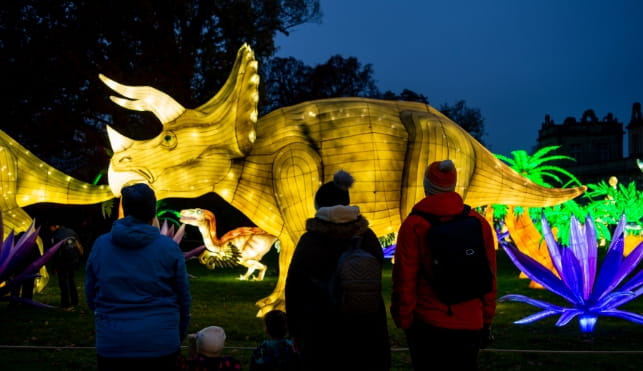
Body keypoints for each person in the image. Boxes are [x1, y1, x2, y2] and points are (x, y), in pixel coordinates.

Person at [390, 159, 497, 371]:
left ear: (426, 186)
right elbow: (488, 275)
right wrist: (486, 317)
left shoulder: (414, 225)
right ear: (453, 185)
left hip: (428, 321)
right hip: (471, 321)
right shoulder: (478, 221)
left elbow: (405, 277)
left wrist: (404, 318)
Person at [285, 170, 391, 371]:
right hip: (367, 329)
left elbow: (294, 289)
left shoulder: (310, 241)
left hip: (322, 332)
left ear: (319, 206)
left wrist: (296, 332)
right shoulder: (367, 237)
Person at [85, 183, 192, 370]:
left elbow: (90, 295)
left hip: (114, 344)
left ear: (124, 209)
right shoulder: (168, 248)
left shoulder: (101, 246)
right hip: (161, 343)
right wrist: (175, 333)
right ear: (153, 212)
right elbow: (183, 299)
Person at [48, 222, 83, 308]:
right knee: (71, 280)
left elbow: (55, 253)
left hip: (63, 260)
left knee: (63, 281)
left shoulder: (56, 236)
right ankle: (75, 301)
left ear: (56, 226)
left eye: (50, 227)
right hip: (73, 259)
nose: (50, 229)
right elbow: (78, 245)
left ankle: (65, 303)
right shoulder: (71, 231)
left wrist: (54, 266)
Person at [8, 232, 41, 309]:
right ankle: (26, 304)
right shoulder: (33, 244)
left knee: (15, 287)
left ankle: (13, 304)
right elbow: (38, 257)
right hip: (29, 269)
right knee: (28, 287)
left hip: (17, 268)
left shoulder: (16, 243)